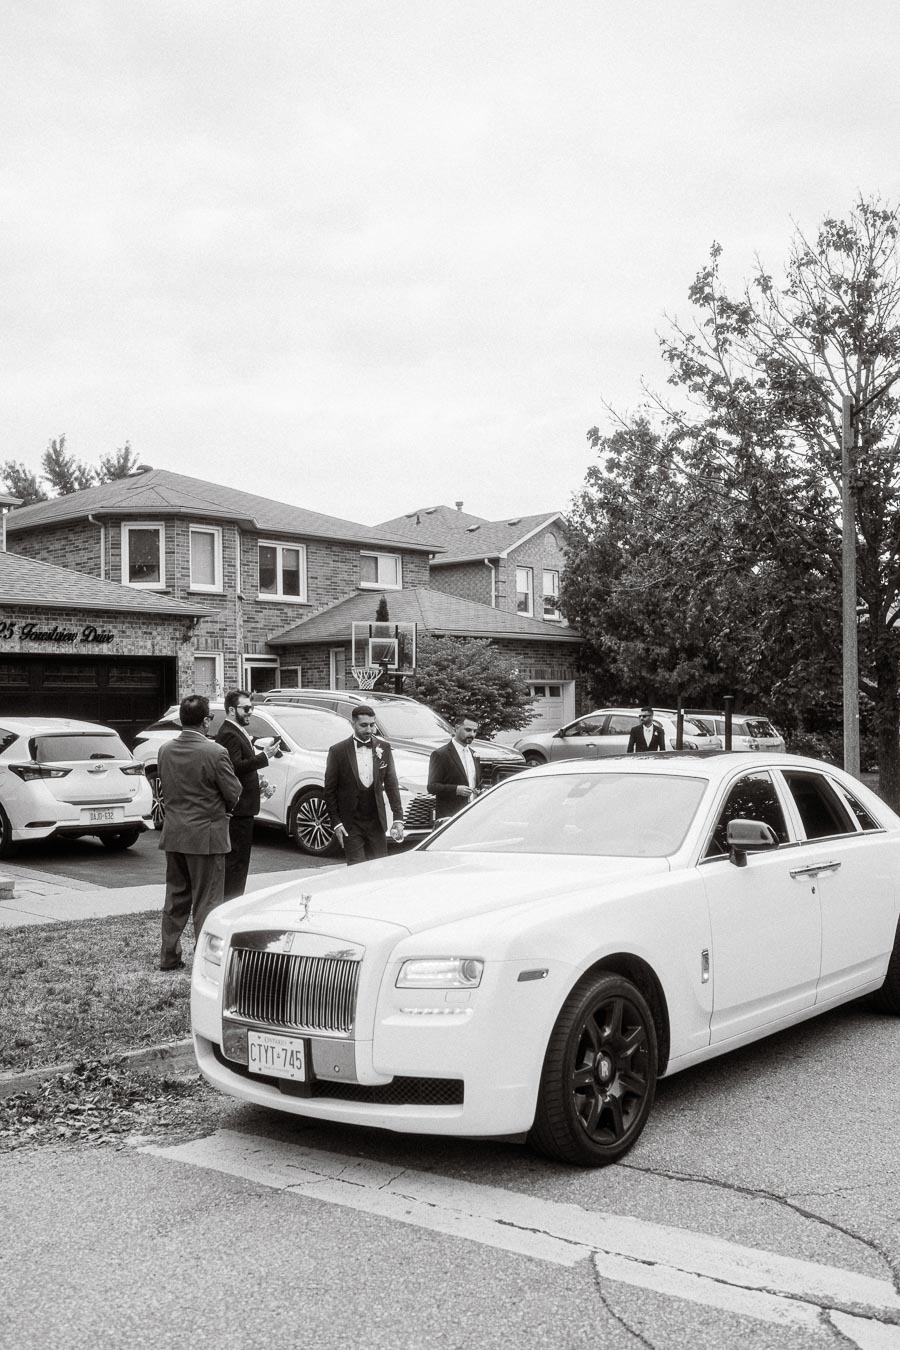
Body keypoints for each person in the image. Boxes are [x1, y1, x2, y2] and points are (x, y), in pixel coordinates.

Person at [157, 693, 242, 970]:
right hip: (206, 836)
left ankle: (169, 955)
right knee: (208, 901)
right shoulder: (215, 752)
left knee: (175, 898)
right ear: (206, 721)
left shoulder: (165, 750)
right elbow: (233, 793)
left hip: (175, 834)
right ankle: (205, 960)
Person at [324, 704, 405, 864]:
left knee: (380, 866)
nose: (369, 730)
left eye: (372, 725)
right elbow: (329, 790)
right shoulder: (337, 751)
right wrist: (336, 823)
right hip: (351, 822)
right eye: (364, 725)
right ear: (353, 724)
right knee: (357, 868)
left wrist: (398, 818)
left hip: (376, 821)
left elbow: (391, 784)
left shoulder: (384, 748)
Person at [215, 689, 272, 900]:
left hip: (244, 807)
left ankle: (233, 898)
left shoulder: (236, 731)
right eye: (246, 708)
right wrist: (264, 757)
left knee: (240, 861)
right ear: (232, 710)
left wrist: (257, 782)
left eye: (252, 708)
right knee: (236, 861)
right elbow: (235, 767)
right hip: (238, 810)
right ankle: (230, 901)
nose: (250, 712)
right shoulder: (229, 733)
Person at [428, 713, 482, 821]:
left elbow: (477, 783)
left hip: (473, 813)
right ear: (457, 728)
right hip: (450, 815)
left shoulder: (474, 755)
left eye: (475, 731)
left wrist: (480, 790)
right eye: (468, 730)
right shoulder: (440, 754)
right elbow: (432, 787)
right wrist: (456, 789)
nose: (472, 734)